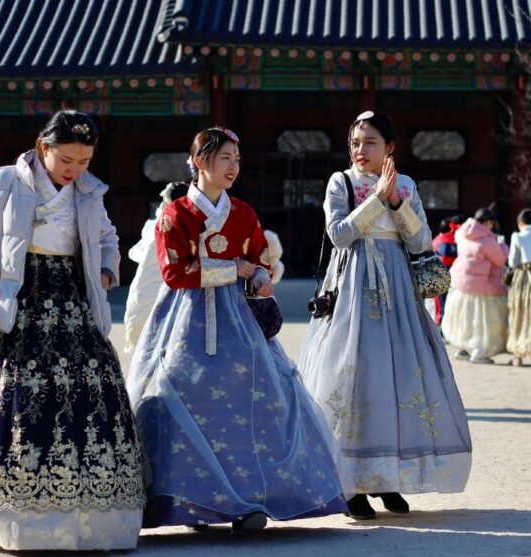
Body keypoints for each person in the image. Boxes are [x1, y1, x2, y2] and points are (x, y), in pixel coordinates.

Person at [127, 127, 349, 534]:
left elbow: (258, 259)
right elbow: (175, 273)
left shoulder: (244, 213)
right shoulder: (174, 215)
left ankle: (249, 500)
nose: (233, 166)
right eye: (225, 158)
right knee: (179, 395)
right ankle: (191, 500)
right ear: (199, 161)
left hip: (238, 320)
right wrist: (235, 269)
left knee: (257, 399)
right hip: (184, 320)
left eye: (237, 159)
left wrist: (260, 276)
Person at [0, 110, 145, 550]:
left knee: (89, 395)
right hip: (19, 299)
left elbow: (108, 239)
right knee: (17, 398)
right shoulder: (7, 180)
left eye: (84, 161)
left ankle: (90, 523)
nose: (75, 170)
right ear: (42, 148)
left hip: (73, 297)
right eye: (67, 159)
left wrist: (105, 273)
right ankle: (23, 524)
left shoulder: (89, 191)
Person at [298, 111, 472, 521]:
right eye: (356, 142)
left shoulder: (406, 185)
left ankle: (387, 476)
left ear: (390, 147)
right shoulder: (340, 182)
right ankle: (352, 484)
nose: (361, 150)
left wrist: (395, 200)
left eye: (371, 142)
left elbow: (420, 240)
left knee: (396, 377)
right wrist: (377, 198)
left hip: (398, 292)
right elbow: (339, 234)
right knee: (353, 377)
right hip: (352, 292)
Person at [124, 181, 189, 354]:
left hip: (165, 287)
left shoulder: (161, 223)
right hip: (162, 286)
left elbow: (138, 253)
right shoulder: (167, 223)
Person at [442, 207, 509, 364]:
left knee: (464, 318)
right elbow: (500, 260)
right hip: (482, 287)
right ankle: (478, 352)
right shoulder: (488, 240)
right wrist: (503, 245)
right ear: (488, 222)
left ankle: (463, 349)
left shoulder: (462, 234)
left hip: (460, 284)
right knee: (482, 321)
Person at [506, 208, 531, 366]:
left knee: (520, 312)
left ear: (520, 222)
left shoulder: (517, 236)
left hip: (523, 277)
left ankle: (518, 355)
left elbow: (512, 261)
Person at [432, 215, 464, 325]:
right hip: (456, 274)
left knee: (441, 302)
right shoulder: (459, 240)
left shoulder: (436, 241)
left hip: (439, 272)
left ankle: (440, 319)